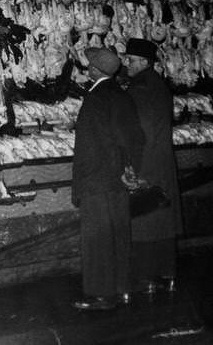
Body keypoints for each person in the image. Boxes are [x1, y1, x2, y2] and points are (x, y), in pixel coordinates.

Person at [71, 46, 145, 311]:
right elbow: (134, 137)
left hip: (96, 178)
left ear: (94, 70)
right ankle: (122, 288)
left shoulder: (95, 98)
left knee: (97, 238)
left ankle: (101, 294)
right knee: (119, 234)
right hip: (117, 178)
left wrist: (83, 181)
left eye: (89, 65)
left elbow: (89, 145)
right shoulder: (121, 95)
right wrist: (129, 169)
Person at [123, 37, 182, 294]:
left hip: (145, 161)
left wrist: (131, 165)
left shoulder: (139, 90)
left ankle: (146, 278)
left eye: (132, 60)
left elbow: (138, 131)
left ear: (145, 62)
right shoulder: (159, 86)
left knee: (144, 219)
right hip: (162, 159)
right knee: (163, 218)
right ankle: (167, 274)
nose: (128, 64)